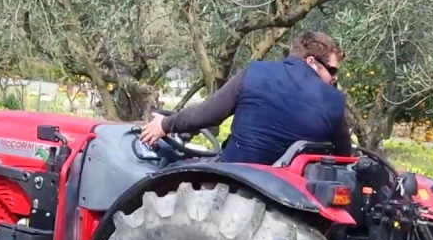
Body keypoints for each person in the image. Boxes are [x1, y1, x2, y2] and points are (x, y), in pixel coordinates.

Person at [140, 30, 353, 164]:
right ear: (311, 62)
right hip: (292, 191)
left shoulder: (255, 72)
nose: (334, 78)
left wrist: (165, 125)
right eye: (332, 71)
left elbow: (209, 114)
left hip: (237, 180)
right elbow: (345, 156)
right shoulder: (334, 101)